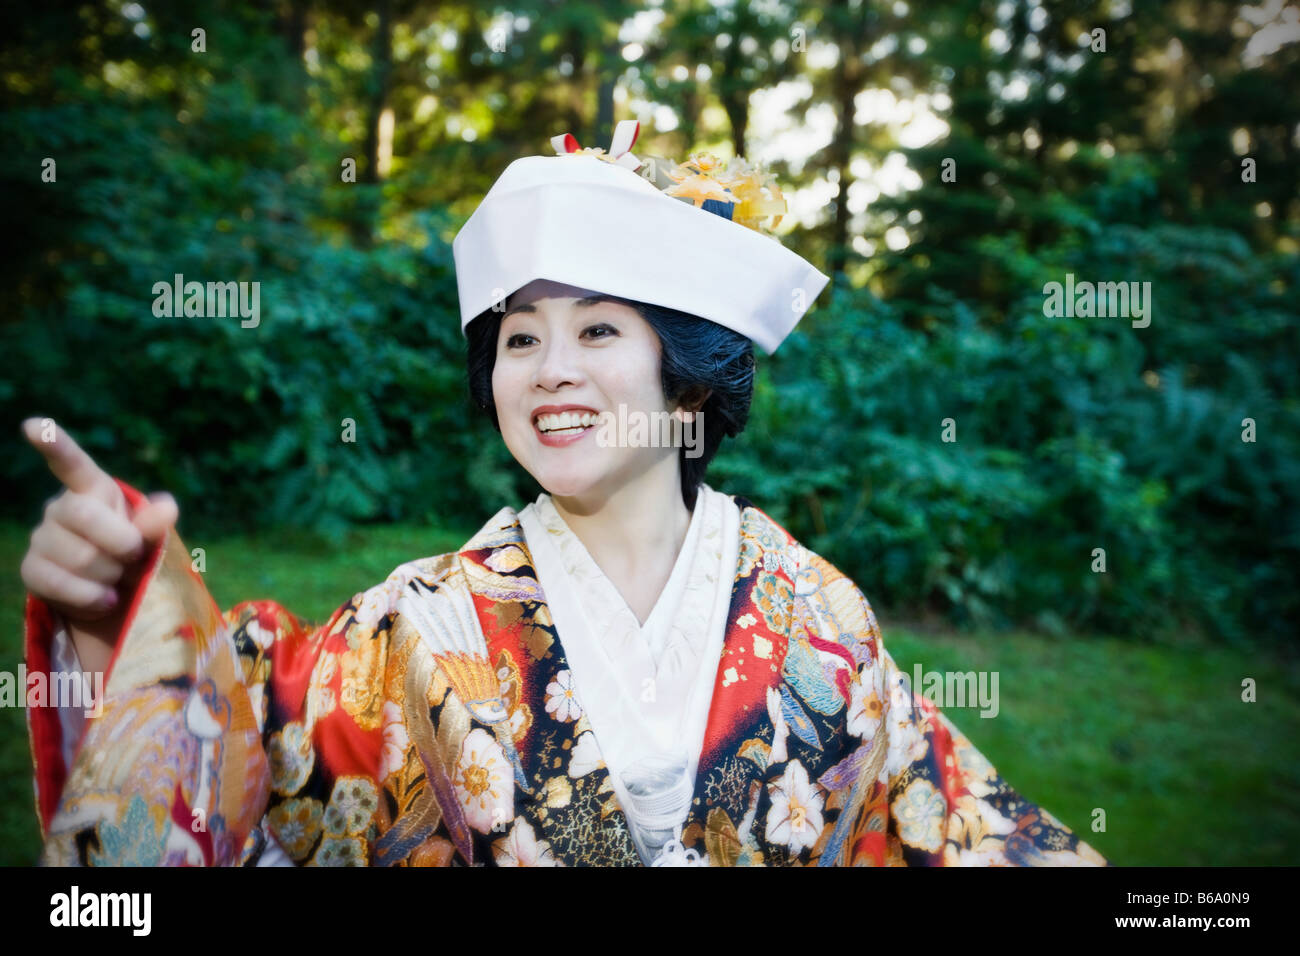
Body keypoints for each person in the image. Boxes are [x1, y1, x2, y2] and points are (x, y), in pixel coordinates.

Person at [19, 122, 1106, 867]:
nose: (550, 369)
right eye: (519, 337)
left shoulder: (819, 616)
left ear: (682, 369)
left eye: (597, 329)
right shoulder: (424, 619)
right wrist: (120, 617)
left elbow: (947, 824)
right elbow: (250, 739)